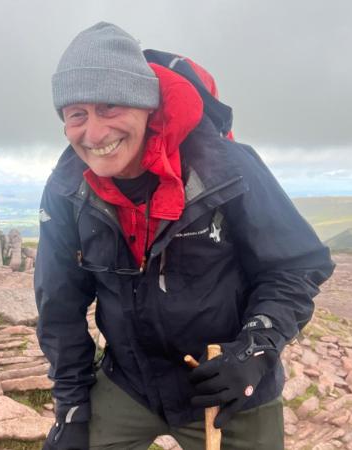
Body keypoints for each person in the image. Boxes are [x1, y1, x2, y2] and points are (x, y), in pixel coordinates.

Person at [35, 22, 335, 450]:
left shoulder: (226, 167)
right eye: (76, 114)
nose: (94, 133)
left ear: (146, 106)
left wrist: (254, 351)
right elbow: (59, 304)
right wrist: (71, 407)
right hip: (130, 383)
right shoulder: (67, 188)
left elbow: (297, 265)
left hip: (227, 388)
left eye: (111, 107)